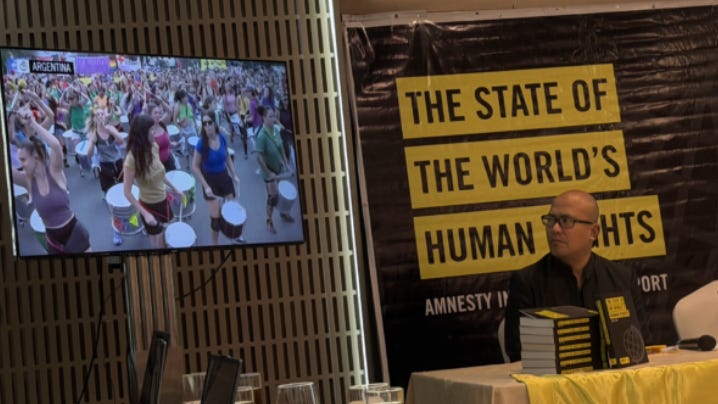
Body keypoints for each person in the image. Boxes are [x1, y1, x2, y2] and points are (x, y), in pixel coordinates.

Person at [503, 190, 650, 362]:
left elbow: (639, 343)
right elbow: (519, 352)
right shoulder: (527, 282)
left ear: (593, 232)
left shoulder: (622, 278)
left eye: (566, 221)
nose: (555, 229)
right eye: (551, 220)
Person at [11, 107, 91, 254]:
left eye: (23, 159)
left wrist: (33, 123)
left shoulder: (54, 171)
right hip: (53, 240)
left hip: (73, 231)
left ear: (35, 157)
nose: (21, 164)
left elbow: (55, 145)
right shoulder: (27, 180)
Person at [123, 114, 180, 248]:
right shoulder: (131, 159)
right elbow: (127, 192)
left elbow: (159, 173)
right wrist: (145, 214)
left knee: (172, 234)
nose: (154, 132)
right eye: (151, 130)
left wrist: (175, 188)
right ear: (143, 134)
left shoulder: (154, 146)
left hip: (163, 200)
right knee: (160, 244)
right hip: (148, 205)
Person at [192, 113, 241, 244]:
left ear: (215, 123)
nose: (207, 126)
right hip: (210, 181)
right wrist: (206, 186)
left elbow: (227, 157)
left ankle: (234, 234)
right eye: (204, 123)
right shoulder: (201, 143)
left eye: (210, 122)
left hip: (224, 177)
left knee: (232, 210)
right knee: (215, 220)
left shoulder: (222, 138)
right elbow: (195, 166)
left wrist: (234, 174)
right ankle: (215, 244)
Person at [85, 107, 125, 245]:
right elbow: (89, 154)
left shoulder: (111, 128)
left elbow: (121, 142)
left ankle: (131, 220)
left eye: (102, 113)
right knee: (112, 204)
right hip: (105, 167)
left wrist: (112, 131)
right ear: (94, 118)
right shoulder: (93, 133)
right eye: (98, 115)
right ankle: (116, 232)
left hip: (118, 164)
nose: (101, 116)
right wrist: (92, 142)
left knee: (125, 195)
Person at [254, 105, 294, 234]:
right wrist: (268, 172)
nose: (273, 118)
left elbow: (281, 147)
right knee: (272, 198)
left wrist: (286, 164)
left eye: (274, 116)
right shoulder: (261, 136)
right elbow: (259, 158)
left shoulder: (276, 129)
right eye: (270, 116)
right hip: (269, 172)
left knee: (282, 193)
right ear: (264, 118)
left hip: (279, 168)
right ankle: (269, 221)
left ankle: (283, 213)